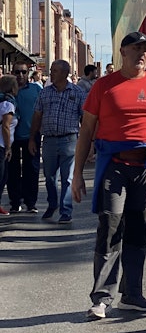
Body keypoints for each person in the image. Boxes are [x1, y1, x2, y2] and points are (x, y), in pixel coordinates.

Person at [71, 31, 146, 320]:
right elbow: (86, 130)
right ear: (123, 52)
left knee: (139, 228)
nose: (142, 54)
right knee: (110, 226)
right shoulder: (104, 86)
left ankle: (132, 294)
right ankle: (102, 297)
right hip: (114, 165)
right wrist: (77, 174)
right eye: (136, 48)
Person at [29, 60, 85, 223]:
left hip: (69, 140)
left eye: (55, 71)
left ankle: (66, 211)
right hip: (49, 141)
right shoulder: (45, 93)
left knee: (67, 178)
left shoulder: (77, 92)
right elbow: (37, 115)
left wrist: (88, 142)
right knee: (50, 177)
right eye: (52, 70)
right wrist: (32, 139)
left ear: (65, 73)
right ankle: (52, 203)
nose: (51, 74)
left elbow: (85, 118)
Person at [7, 63, 42, 213]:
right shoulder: (6, 90)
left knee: (31, 170)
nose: (20, 75)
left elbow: (42, 110)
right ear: (12, 73)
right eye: (17, 72)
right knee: (12, 171)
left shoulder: (36, 89)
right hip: (11, 138)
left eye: (23, 72)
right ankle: (15, 202)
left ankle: (31, 202)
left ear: (28, 73)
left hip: (31, 135)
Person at [0, 75, 18, 216]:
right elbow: (5, 126)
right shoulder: (8, 104)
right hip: (1, 145)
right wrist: (8, 147)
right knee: (1, 177)